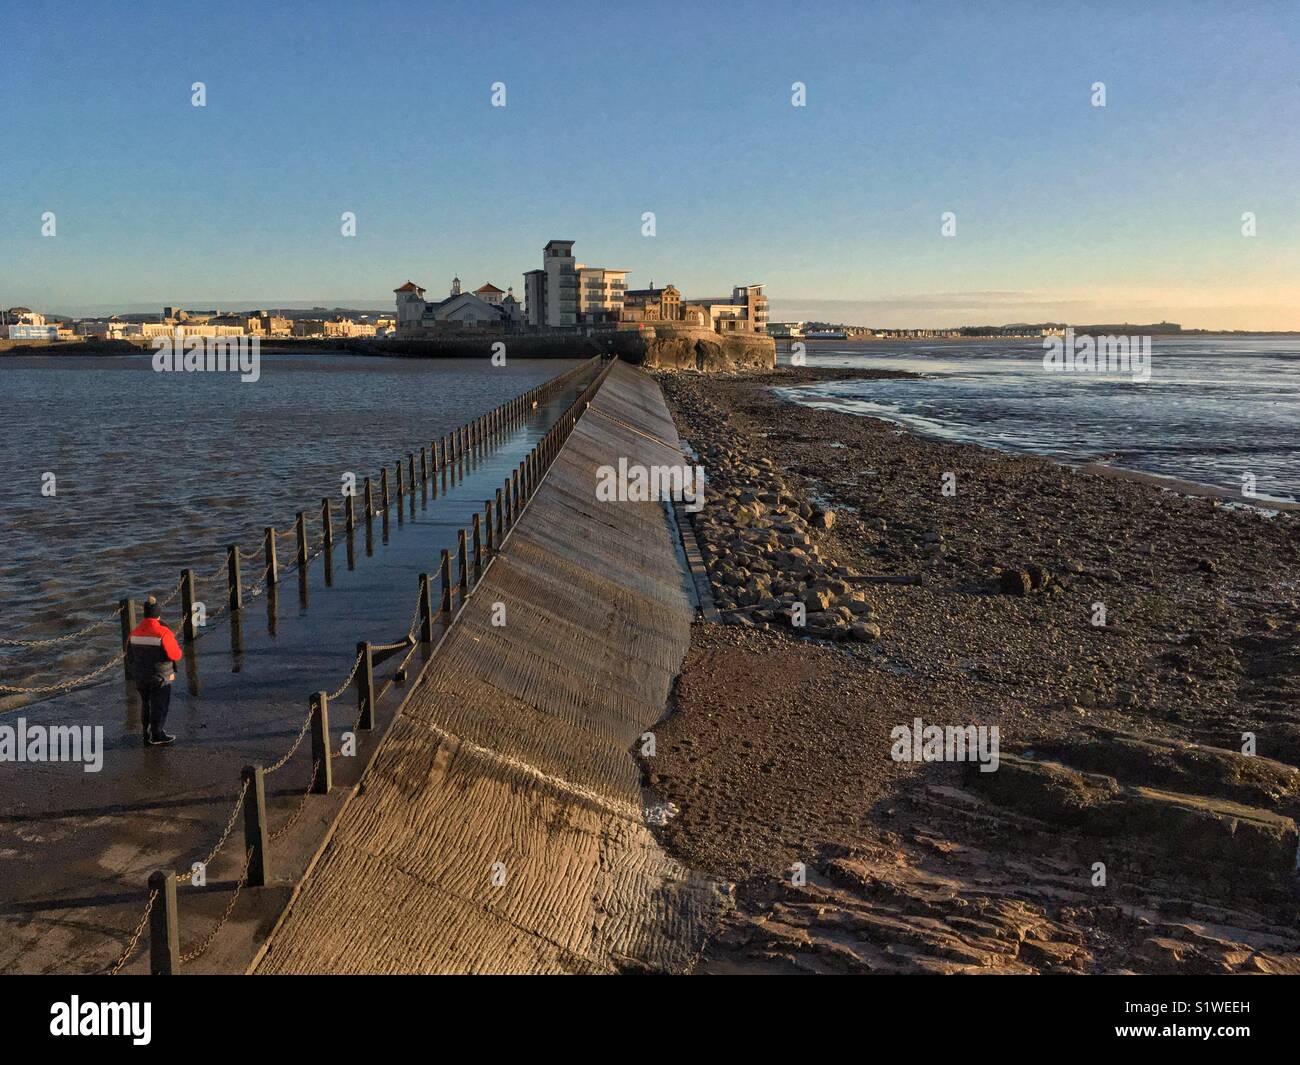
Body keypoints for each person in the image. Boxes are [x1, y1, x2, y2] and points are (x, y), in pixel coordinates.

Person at [125, 595, 182, 746]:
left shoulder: (134, 633)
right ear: (158, 615)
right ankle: (157, 734)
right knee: (160, 705)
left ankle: (146, 732)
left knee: (146, 703)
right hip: (160, 677)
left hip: (140, 676)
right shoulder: (164, 632)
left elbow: (129, 656)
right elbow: (176, 654)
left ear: (144, 614)